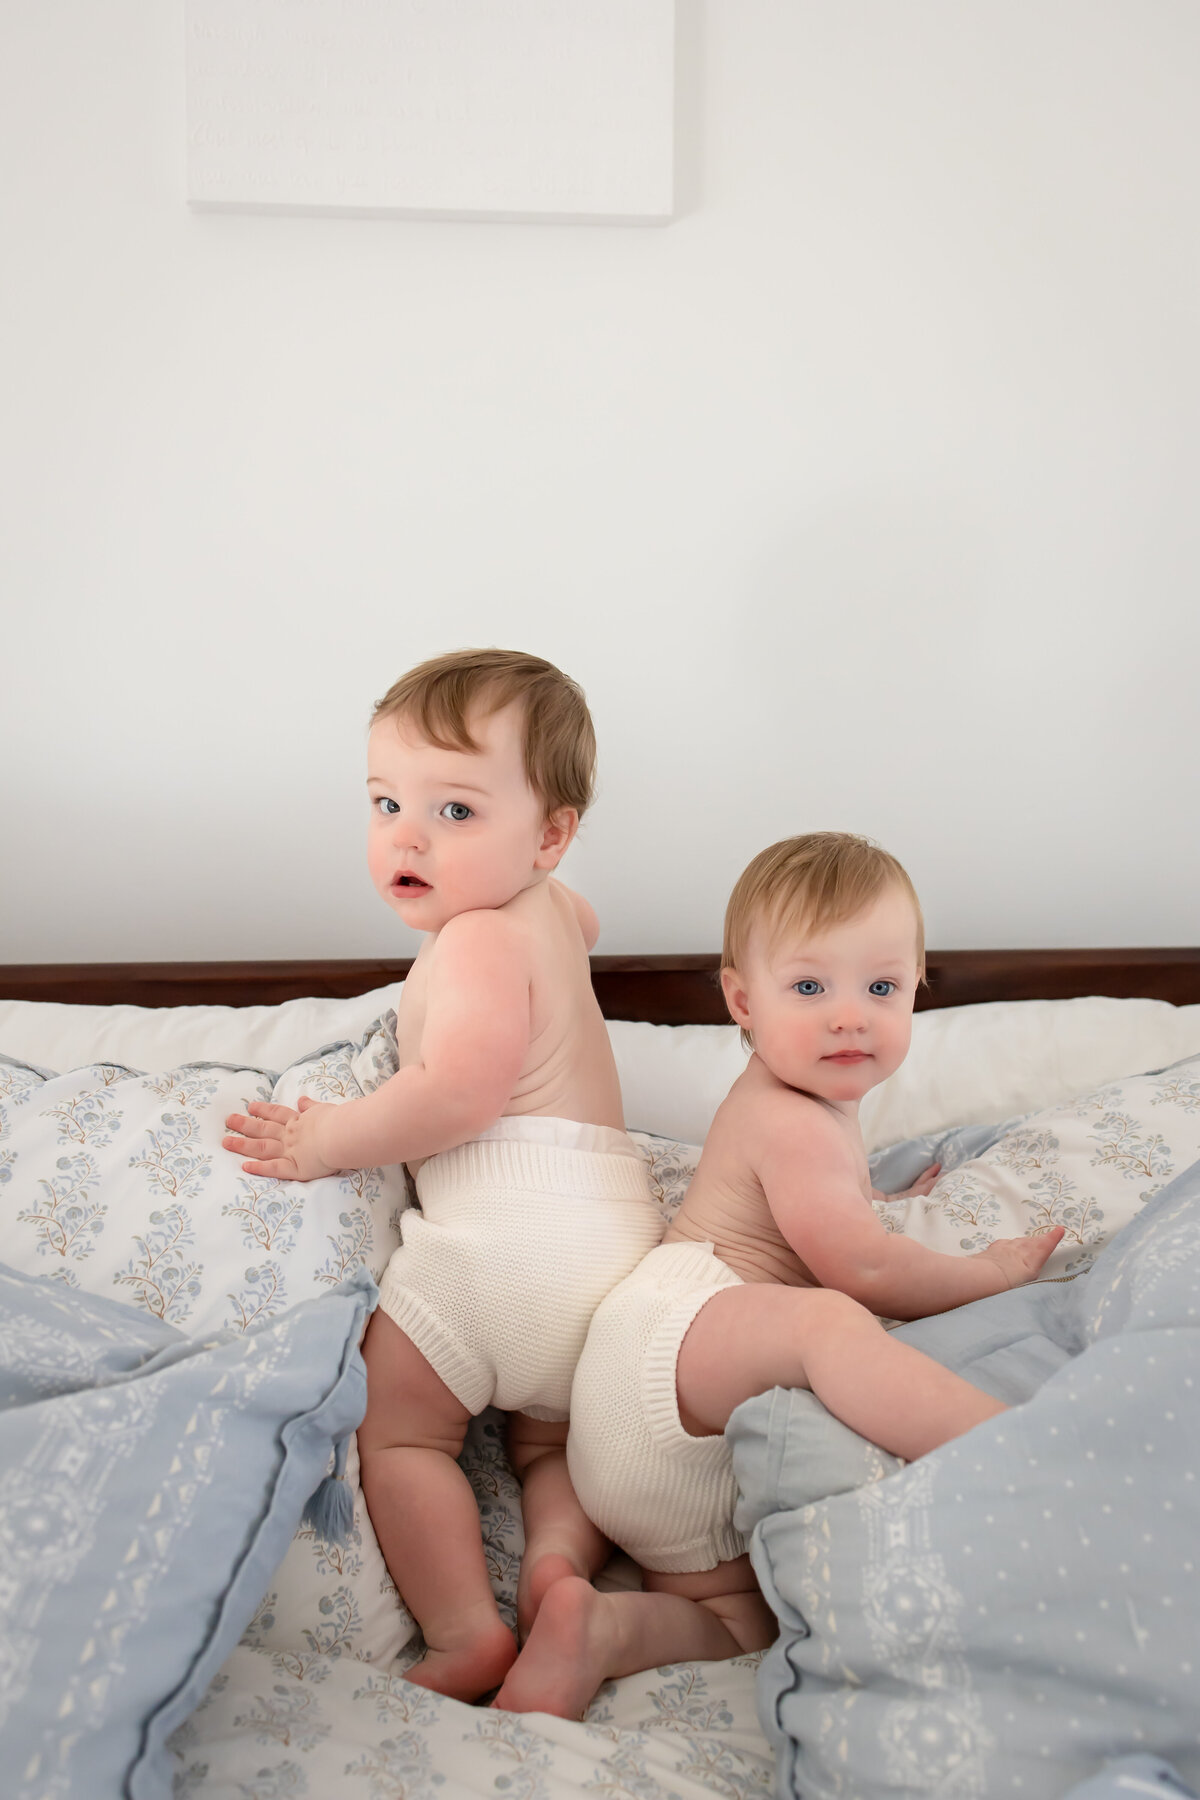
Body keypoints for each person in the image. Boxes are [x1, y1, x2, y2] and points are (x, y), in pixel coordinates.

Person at [493, 832, 1065, 1718]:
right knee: (828, 1321)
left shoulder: (800, 1106)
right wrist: (984, 1272)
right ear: (741, 1001)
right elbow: (864, 1265)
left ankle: (574, 1594)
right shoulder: (794, 1121)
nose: (849, 1016)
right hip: (681, 1339)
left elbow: (822, 1208)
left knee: (738, 1623)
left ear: (917, 988)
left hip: (632, 1425)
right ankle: (1010, 1443)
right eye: (810, 988)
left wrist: (874, 1194)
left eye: (880, 988)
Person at [222, 649, 664, 1703]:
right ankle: (558, 1573)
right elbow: (582, 920)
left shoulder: (469, 944)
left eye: (455, 811)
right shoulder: (556, 912)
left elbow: (458, 1097)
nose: (407, 838)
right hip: (608, 1248)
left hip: (503, 1242)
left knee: (405, 1430)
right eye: (386, 803)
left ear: (549, 835)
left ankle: (466, 1630)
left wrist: (326, 1140)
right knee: (551, 1442)